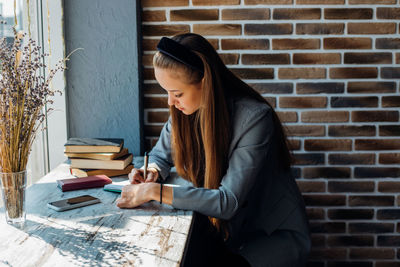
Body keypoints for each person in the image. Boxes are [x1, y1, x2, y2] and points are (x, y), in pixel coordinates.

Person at [116, 33, 311, 267]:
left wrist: (153, 191)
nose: (170, 102)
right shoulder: (185, 111)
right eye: (166, 92)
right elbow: (160, 155)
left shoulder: (255, 119)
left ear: (205, 83)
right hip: (225, 233)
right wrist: (153, 171)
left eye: (177, 94)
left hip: (268, 238)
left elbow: (227, 202)